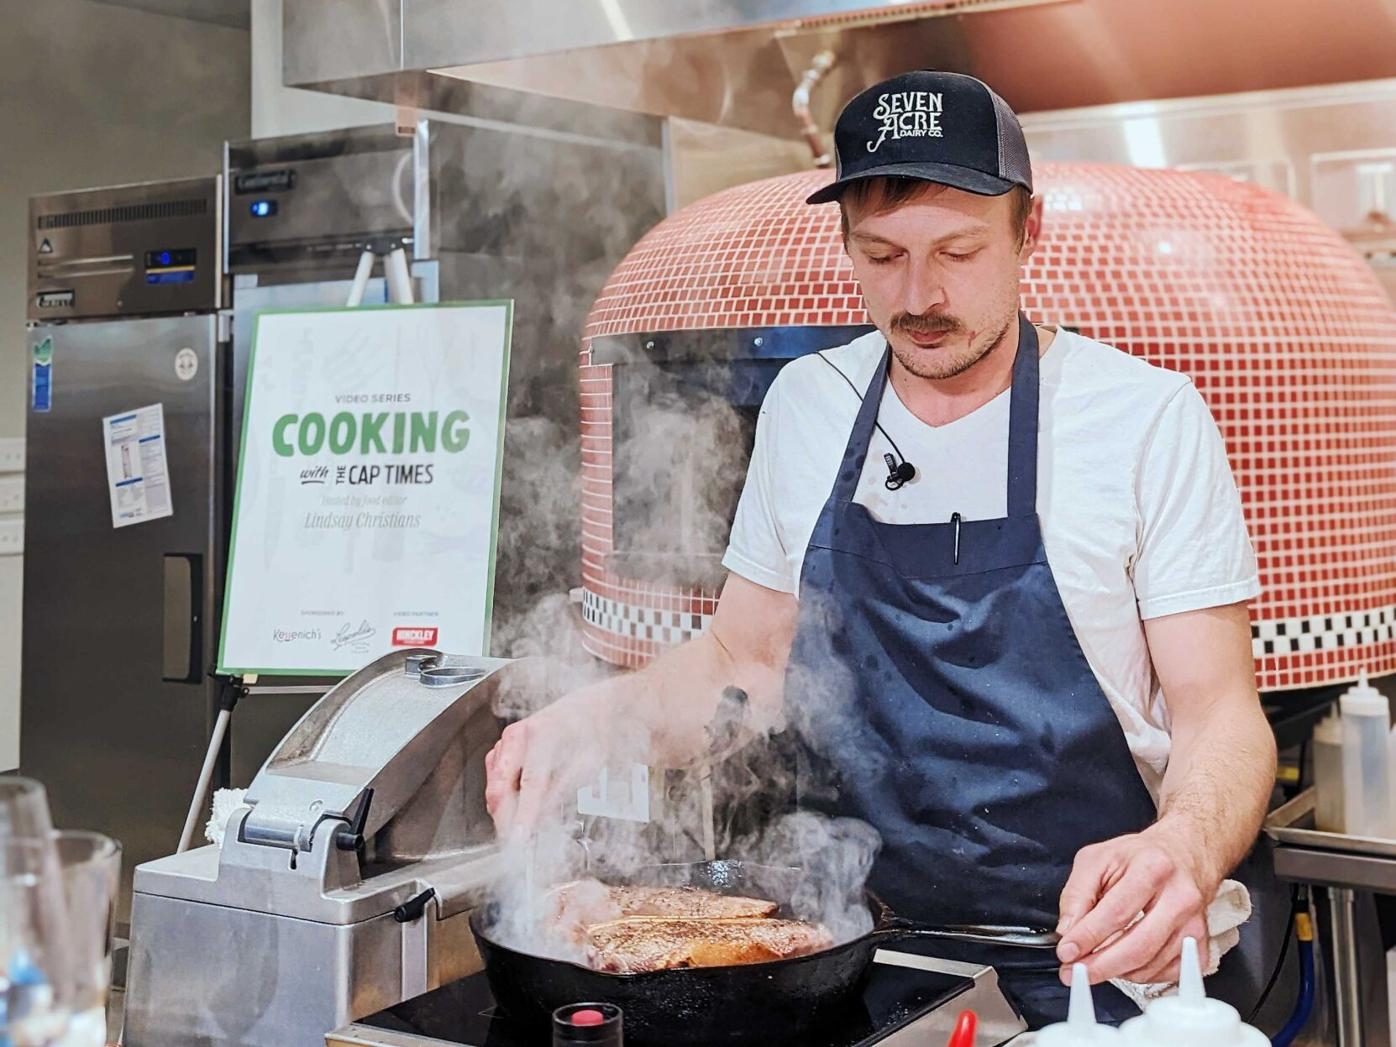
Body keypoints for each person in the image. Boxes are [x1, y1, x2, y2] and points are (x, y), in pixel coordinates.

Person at [485, 69, 1279, 1027]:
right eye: (883, 254)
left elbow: (1220, 716)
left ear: (1029, 233)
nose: (920, 294)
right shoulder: (810, 407)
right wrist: (592, 721)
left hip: (1094, 957)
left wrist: (1186, 847)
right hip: (850, 957)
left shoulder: (1145, 420)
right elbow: (745, 661)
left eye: (957, 250)